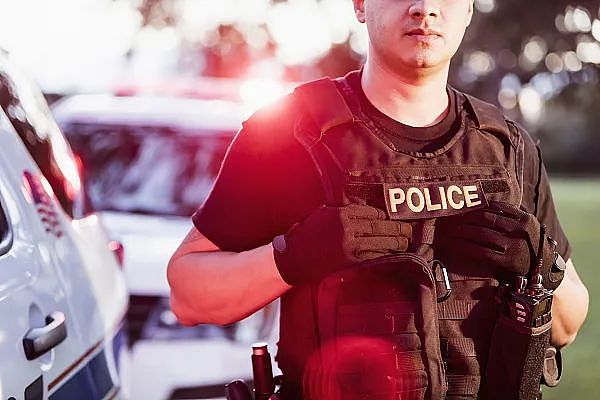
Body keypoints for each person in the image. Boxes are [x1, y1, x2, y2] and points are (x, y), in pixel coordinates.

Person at [168, 1, 589, 399]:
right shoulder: (290, 134)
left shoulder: (507, 148)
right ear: (360, 5)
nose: (424, 8)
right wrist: (291, 258)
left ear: (467, 9)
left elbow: (568, 325)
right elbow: (187, 295)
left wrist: (539, 268)